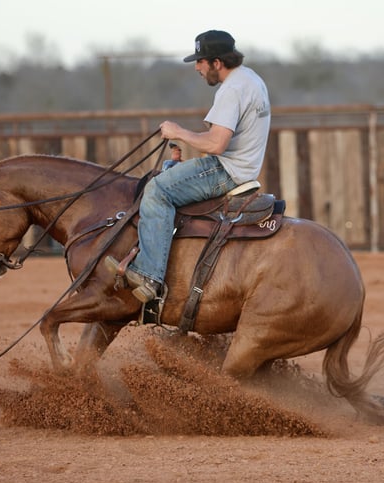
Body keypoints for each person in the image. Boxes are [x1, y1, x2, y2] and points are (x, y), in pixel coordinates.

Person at [106, 29, 271, 303]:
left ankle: (150, 276)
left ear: (216, 62)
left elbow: (217, 144)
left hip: (226, 170)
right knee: (169, 173)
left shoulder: (232, 89)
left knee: (157, 190)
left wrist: (178, 131)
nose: (197, 67)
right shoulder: (251, 79)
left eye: (200, 61)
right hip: (239, 166)